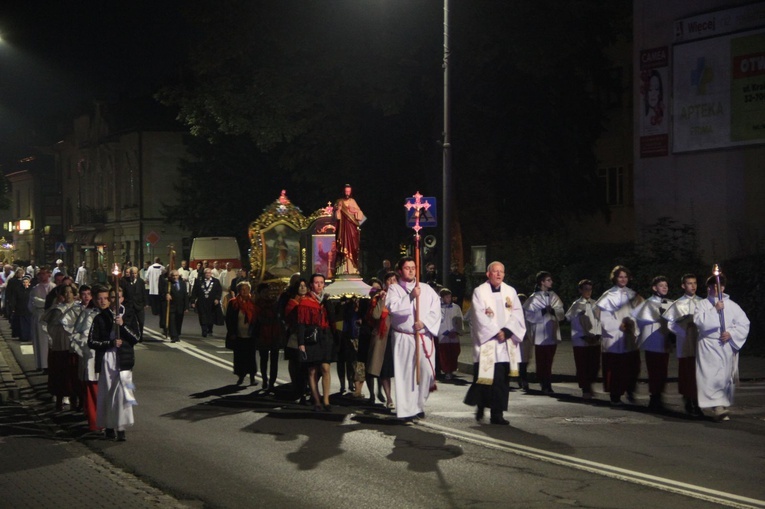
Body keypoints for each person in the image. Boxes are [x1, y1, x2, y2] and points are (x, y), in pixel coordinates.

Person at [468, 261, 526, 425]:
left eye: (502, 271)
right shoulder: (480, 292)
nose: (499, 274)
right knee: (485, 380)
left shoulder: (510, 291)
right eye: (495, 271)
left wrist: (507, 331)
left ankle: (497, 413)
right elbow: (478, 316)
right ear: (488, 274)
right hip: (488, 342)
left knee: (501, 381)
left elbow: (517, 314)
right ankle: (481, 405)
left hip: (506, 343)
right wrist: (495, 332)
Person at [386, 257, 440, 422]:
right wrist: (410, 296)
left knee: (427, 372)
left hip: (423, 335)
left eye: (413, 267)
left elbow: (435, 309)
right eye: (407, 268)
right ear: (400, 271)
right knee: (406, 374)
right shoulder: (394, 289)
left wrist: (424, 324)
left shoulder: (426, 288)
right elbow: (393, 308)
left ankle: (418, 404)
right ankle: (406, 410)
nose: (411, 270)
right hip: (404, 337)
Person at [694, 274, 750, 422]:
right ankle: (717, 406)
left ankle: (721, 403)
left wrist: (731, 334)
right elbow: (700, 322)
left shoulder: (733, 306)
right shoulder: (703, 304)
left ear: (723, 288)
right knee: (710, 376)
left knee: (724, 376)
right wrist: (714, 310)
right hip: (709, 346)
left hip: (725, 346)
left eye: (718, 286)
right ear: (708, 288)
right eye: (712, 287)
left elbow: (744, 324)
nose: (715, 289)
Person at [88, 286, 140, 441]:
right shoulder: (100, 317)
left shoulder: (129, 314)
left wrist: (123, 325)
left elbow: (136, 338)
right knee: (108, 393)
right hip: (107, 359)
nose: (114, 300)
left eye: (118, 297)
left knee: (123, 394)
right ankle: (109, 426)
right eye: (112, 297)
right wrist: (109, 343)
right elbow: (91, 342)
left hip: (124, 359)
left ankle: (121, 427)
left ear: (122, 298)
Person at [596, 265, 643, 406]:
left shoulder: (633, 294)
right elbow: (602, 315)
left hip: (629, 335)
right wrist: (618, 325)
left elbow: (639, 313)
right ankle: (615, 395)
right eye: (620, 276)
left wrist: (634, 326)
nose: (623, 279)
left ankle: (630, 391)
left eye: (625, 277)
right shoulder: (608, 295)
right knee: (615, 368)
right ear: (615, 278)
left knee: (632, 366)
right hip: (615, 336)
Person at [664, 274, 704, 416]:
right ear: (683, 286)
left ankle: (698, 402)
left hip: (699, 342)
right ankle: (688, 399)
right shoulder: (678, 304)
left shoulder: (702, 302)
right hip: (685, 342)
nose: (692, 286)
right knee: (687, 373)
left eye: (694, 283)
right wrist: (683, 331)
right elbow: (670, 323)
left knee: (699, 373)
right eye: (689, 283)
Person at [632, 275, 674, 411]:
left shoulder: (669, 303)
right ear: (654, 288)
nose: (664, 288)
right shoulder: (648, 303)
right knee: (654, 370)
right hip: (652, 341)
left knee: (663, 370)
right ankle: (654, 397)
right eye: (661, 286)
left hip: (665, 341)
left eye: (666, 286)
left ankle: (659, 395)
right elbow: (638, 319)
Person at [296, 274, 336, 412]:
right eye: (316, 283)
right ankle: (317, 400)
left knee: (325, 368)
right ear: (311, 285)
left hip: (325, 336)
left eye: (321, 282)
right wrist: (301, 343)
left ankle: (326, 400)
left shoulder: (327, 299)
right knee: (312, 370)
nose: (319, 285)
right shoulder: (305, 301)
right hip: (312, 337)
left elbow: (332, 318)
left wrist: (327, 303)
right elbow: (301, 323)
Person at [523, 271, 565, 394]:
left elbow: (561, 312)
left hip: (551, 331)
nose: (551, 282)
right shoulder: (534, 298)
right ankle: (544, 382)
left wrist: (553, 312)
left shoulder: (554, 296)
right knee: (542, 359)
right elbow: (528, 315)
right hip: (541, 334)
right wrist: (541, 312)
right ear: (542, 282)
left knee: (550, 359)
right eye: (548, 280)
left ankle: (547, 381)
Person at [42, 285, 81, 411]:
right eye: (66, 292)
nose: (68, 294)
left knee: (73, 375)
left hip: (73, 346)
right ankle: (59, 400)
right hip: (60, 344)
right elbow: (47, 325)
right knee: (60, 374)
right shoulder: (57, 309)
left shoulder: (78, 308)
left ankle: (75, 400)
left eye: (71, 292)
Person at [71, 284, 101, 431]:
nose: (103, 301)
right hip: (92, 358)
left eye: (107, 298)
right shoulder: (87, 314)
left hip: (109, 362)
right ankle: (95, 424)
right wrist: (87, 343)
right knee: (93, 393)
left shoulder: (115, 315)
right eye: (99, 298)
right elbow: (76, 334)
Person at [565, 279, 602, 400]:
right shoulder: (577, 305)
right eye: (585, 289)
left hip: (594, 339)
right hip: (581, 340)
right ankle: (585, 388)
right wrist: (584, 336)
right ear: (581, 290)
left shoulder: (595, 304)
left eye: (590, 289)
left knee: (594, 365)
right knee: (583, 365)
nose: (588, 292)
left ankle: (590, 384)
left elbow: (599, 320)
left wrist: (597, 334)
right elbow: (573, 321)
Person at [366, 273, 396, 408]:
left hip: (399, 336)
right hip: (384, 337)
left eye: (395, 279)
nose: (392, 282)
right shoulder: (380, 296)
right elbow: (376, 315)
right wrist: (382, 300)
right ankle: (389, 398)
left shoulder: (404, 296)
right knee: (385, 371)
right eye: (389, 280)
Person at [225, 281, 258, 386]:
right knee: (239, 357)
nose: (244, 291)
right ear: (238, 291)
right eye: (242, 289)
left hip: (250, 334)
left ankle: (252, 377)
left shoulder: (253, 302)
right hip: (238, 334)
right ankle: (241, 376)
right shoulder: (233, 302)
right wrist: (231, 332)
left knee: (251, 356)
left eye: (246, 289)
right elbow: (229, 319)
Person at [252, 283, 282, 391]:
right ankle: (265, 379)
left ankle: (272, 382)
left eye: (267, 291)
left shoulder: (274, 303)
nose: (266, 294)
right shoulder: (257, 305)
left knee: (274, 360)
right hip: (263, 334)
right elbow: (257, 319)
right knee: (264, 359)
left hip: (274, 334)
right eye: (264, 292)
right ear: (260, 293)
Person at [29, 266, 56, 372]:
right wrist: (42, 304)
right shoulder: (35, 288)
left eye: (44, 273)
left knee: (49, 342)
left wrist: (42, 303)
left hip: (50, 317)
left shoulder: (53, 287)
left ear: (48, 274)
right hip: (39, 317)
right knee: (39, 342)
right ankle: (40, 364)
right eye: (40, 274)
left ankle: (48, 364)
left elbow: (53, 303)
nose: (42, 276)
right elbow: (32, 303)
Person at [334, 184, 365, 276]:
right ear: (343, 192)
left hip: (352, 228)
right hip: (343, 229)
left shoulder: (353, 201)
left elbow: (360, 215)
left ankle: (352, 267)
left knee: (353, 247)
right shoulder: (339, 202)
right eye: (346, 191)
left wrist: (354, 211)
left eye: (348, 191)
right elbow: (336, 217)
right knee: (343, 246)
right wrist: (339, 210)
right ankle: (342, 268)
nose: (347, 193)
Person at [437, 288, 463, 380]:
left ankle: (452, 369)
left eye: (449, 297)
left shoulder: (456, 307)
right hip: (442, 335)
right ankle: (447, 371)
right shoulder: (438, 308)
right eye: (446, 297)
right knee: (444, 354)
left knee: (454, 352)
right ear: (442, 298)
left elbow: (459, 321)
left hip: (453, 334)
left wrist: (457, 331)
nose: (449, 298)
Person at [191, 268, 223, 337]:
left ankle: (210, 330)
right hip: (201, 302)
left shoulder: (216, 281)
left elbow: (219, 291)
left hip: (212, 303)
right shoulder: (199, 281)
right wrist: (193, 301)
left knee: (210, 317)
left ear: (211, 274)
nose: (208, 274)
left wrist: (217, 299)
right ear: (204, 274)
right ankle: (204, 330)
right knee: (202, 316)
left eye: (209, 273)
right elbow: (194, 291)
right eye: (206, 273)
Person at [162, 269, 189, 343]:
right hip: (171, 306)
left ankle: (177, 334)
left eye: (176, 275)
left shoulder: (182, 284)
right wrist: (166, 294)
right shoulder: (168, 284)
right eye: (173, 275)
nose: (174, 277)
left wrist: (186, 307)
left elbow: (185, 295)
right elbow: (163, 292)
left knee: (178, 321)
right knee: (172, 321)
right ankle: (173, 336)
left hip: (180, 306)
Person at [120, 266, 146, 338]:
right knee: (128, 321)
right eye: (132, 273)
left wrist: (145, 303)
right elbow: (123, 293)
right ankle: (130, 335)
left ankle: (140, 336)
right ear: (130, 273)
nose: (134, 275)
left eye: (135, 273)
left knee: (141, 321)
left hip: (139, 305)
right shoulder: (125, 281)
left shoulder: (140, 282)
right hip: (128, 305)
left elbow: (143, 292)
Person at [13, 275, 34, 342]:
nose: (25, 283)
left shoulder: (31, 290)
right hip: (20, 309)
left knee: (29, 323)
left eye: (26, 282)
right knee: (22, 324)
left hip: (28, 309)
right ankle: (23, 336)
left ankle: (29, 336)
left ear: (29, 282)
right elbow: (15, 298)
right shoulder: (18, 289)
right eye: (24, 282)